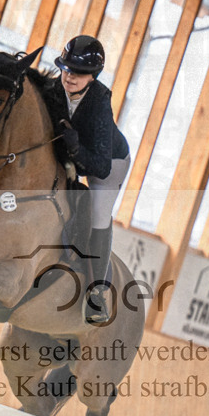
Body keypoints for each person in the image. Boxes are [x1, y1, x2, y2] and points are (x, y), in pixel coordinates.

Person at [42, 35, 130, 324]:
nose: (70, 76)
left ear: (93, 77)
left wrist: (76, 148)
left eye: (78, 73)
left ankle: (96, 294)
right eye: (66, 69)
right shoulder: (54, 89)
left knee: (98, 215)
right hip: (74, 154)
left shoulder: (100, 102)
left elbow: (100, 167)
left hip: (108, 161)